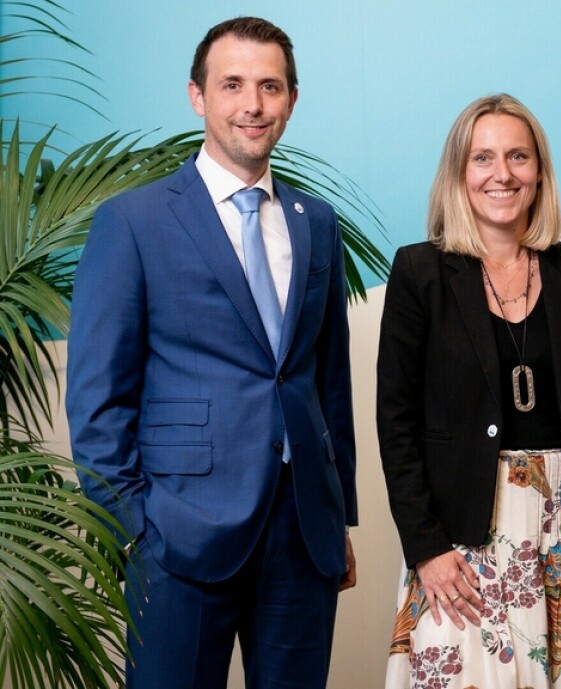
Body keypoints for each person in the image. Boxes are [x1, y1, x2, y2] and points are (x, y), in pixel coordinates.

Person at [66, 17, 357, 689]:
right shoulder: (133, 221)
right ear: (198, 95)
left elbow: (326, 380)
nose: (251, 105)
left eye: (269, 86)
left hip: (301, 538)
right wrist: (137, 526)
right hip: (178, 534)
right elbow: (96, 399)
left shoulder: (317, 223)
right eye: (232, 85)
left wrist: (335, 517)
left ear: (291, 98)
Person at [378, 93, 561, 688]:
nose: (502, 173)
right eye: (483, 158)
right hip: (459, 539)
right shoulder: (419, 272)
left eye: (518, 156)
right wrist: (426, 549)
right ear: (459, 174)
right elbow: (396, 424)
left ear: (539, 171)